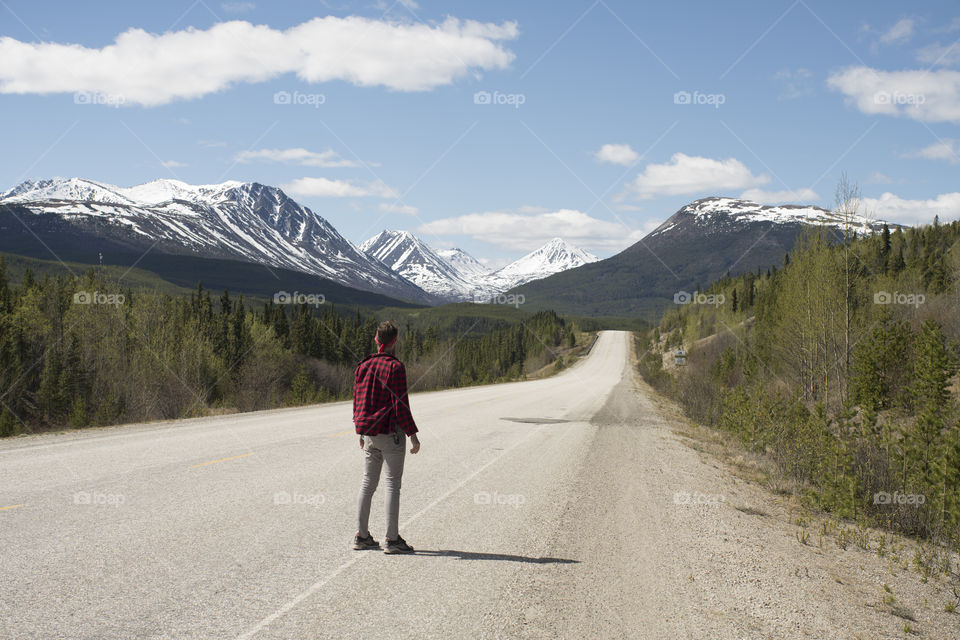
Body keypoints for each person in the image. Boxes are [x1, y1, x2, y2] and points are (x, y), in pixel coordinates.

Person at [352, 320, 421, 554]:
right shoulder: (395, 367)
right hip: (391, 434)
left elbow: (359, 401)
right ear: (395, 341)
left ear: (376, 339)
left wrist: (360, 431)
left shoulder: (363, 366)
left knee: (367, 483)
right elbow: (400, 405)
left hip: (370, 433)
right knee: (392, 485)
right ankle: (392, 540)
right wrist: (413, 434)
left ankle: (361, 536)